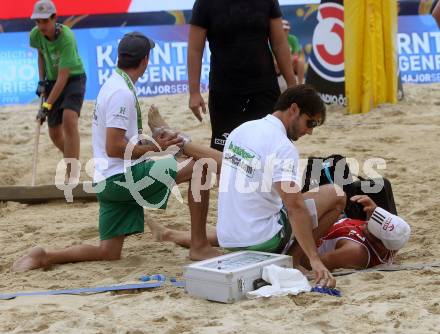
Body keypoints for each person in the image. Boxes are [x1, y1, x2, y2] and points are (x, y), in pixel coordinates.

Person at [12, 32, 220, 273]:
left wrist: (153, 143)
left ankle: (44, 256)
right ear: (145, 61)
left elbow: (118, 143)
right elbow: (115, 147)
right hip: (123, 179)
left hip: (106, 181)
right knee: (201, 167)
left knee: (108, 252)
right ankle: (199, 244)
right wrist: (156, 147)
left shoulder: (112, 84)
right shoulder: (121, 92)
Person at [148, 85, 346, 288]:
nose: (311, 131)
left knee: (257, 208)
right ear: (294, 109)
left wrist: (184, 145)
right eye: (310, 122)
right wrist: (314, 259)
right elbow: (295, 208)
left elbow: (224, 163)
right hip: (263, 242)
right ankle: (295, 262)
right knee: (335, 194)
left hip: (230, 240)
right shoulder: (283, 147)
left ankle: (169, 232)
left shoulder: (241, 130)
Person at [188, 0, 297, 151]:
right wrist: (194, 92)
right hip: (224, 91)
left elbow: (279, 43)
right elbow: (195, 49)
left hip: (264, 88)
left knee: (270, 151)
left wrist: (292, 84)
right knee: (225, 155)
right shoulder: (205, 3)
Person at [30, 0, 86, 180]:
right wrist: (41, 80)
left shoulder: (67, 38)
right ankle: (72, 156)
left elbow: (63, 77)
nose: (41, 26)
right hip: (52, 81)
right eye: (37, 21)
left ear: (54, 18)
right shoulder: (35, 35)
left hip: (73, 78)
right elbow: (41, 54)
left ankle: (72, 174)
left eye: (45, 21)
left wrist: (46, 105)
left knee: (69, 120)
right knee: (54, 133)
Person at [313, 195, 411, 271]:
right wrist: (374, 213)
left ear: (380, 245)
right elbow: (386, 237)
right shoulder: (392, 243)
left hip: (311, 235)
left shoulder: (355, 252)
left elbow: (312, 262)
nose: (367, 224)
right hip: (335, 222)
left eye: (371, 228)